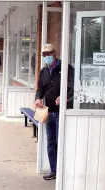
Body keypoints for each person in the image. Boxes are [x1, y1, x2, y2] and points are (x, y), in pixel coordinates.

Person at [35, 43, 74, 180]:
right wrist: (38, 98)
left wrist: (64, 97)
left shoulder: (65, 68)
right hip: (48, 112)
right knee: (50, 142)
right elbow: (40, 88)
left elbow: (73, 87)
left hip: (61, 112)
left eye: (49, 54)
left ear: (55, 54)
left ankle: (63, 172)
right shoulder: (44, 71)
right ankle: (54, 171)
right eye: (44, 55)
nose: (46, 57)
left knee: (60, 142)